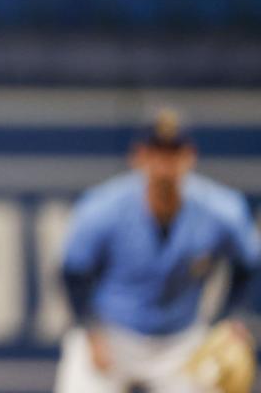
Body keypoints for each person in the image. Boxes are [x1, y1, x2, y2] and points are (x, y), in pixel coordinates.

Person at [55, 109, 261, 393]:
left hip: (181, 341)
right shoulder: (102, 208)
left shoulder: (221, 210)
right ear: (138, 156)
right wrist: (91, 329)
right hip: (112, 335)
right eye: (156, 153)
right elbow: (73, 271)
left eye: (173, 153)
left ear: (190, 156)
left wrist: (232, 319)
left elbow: (248, 265)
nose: (165, 165)